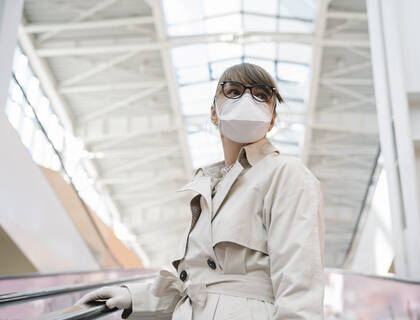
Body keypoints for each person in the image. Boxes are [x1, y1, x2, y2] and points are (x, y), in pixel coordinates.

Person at [75, 62, 326, 319]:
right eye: (234, 91)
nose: (248, 98)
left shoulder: (287, 174)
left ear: (272, 119)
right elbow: (196, 286)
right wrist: (133, 297)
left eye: (262, 95)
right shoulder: (209, 188)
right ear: (214, 113)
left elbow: (300, 288)